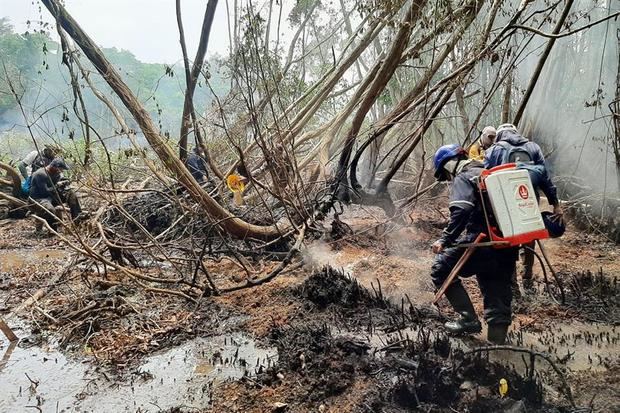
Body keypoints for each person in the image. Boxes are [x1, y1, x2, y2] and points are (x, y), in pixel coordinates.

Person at [430, 144, 518, 344]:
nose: (448, 179)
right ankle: (498, 348)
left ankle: (468, 319)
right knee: (496, 290)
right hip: (507, 243)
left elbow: (462, 210)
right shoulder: (487, 172)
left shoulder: (464, 177)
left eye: (445, 174)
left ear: (449, 164)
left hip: (482, 241)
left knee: (441, 267)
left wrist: (445, 239)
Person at [484, 123, 563, 290]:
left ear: (500, 135)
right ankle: (527, 280)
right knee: (529, 237)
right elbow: (544, 177)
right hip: (528, 200)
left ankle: (512, 285)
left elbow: (486, 179)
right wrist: (555, 204)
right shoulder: (533, 147)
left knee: (508, 241)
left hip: (503, 205)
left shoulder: (493, 150)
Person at [29, 158, 83, 232]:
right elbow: (45, 191)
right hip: (38, 199)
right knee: (50, 209)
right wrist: (57, 186)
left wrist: (65, 182)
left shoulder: (56, 174)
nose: (61, 171)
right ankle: (53, 231)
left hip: (51, 196)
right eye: (60, 169)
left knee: (71, 195)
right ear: (54, 167)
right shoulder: (40, 174)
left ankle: (77, 222)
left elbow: (57, 184)